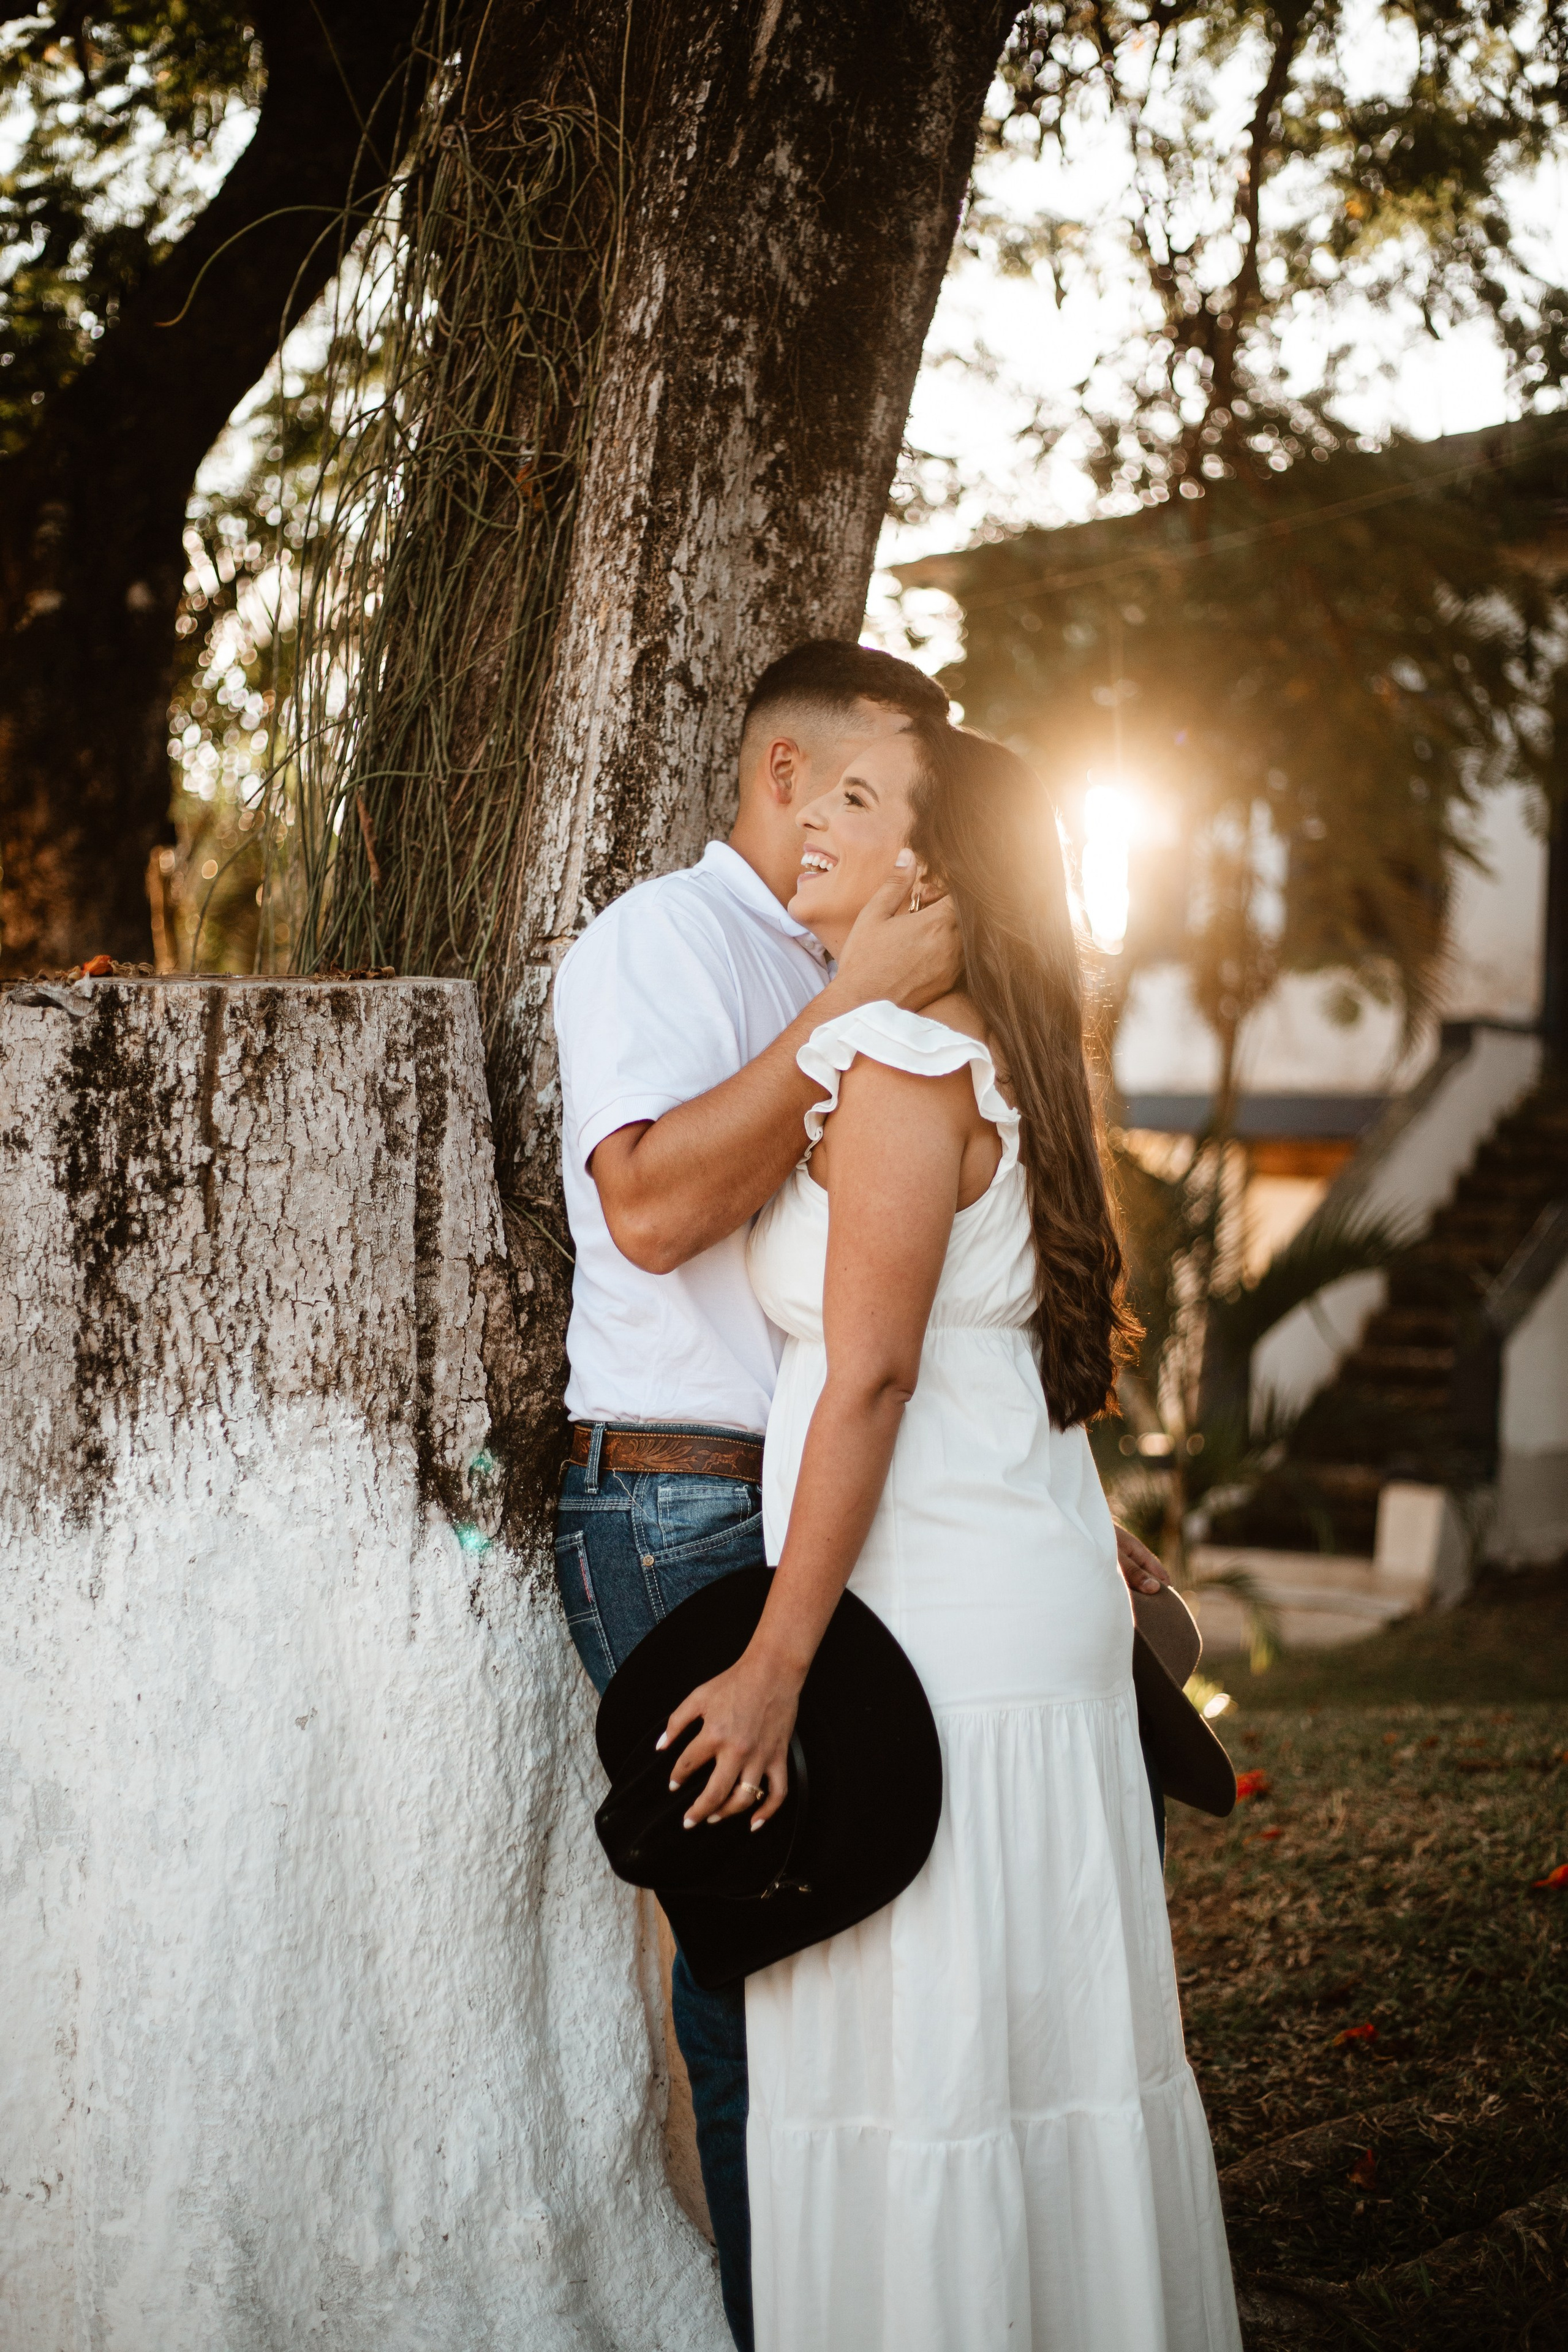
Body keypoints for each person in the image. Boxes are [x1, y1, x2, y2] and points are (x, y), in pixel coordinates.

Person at [552, 640, 1175, 2351]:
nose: (835, 823)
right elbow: (657, 1216)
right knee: (805, 1978)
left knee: (886, 2008)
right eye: (833, 787)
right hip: (701, 1497)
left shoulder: (907, 1025)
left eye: (873, 803)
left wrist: (795, 1649)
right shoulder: (682, 949)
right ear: (783, 776)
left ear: (938, 861)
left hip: (882, 1551)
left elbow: (902, 1358)